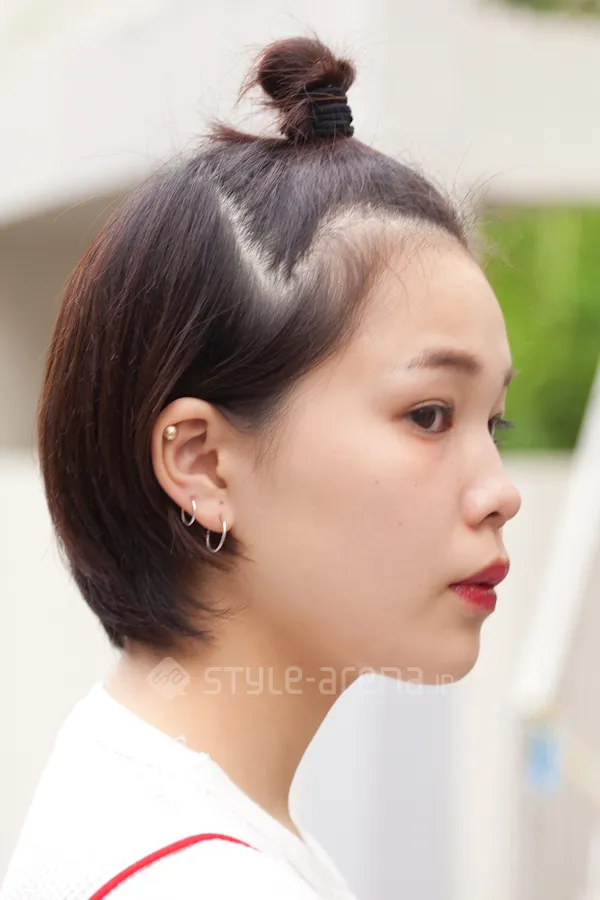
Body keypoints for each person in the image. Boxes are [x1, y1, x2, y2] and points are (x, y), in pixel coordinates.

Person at [0, 34, 521, 900]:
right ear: (202, 463)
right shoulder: (202, 879)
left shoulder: (154, 809)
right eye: (429, 415)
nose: (500, 492)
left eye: (494, 422)